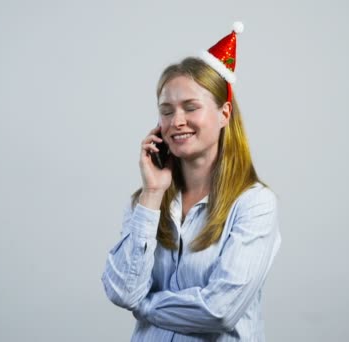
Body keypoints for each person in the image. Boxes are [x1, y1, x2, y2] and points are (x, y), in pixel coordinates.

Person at [101, 22, 281, 341]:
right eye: (166, 111)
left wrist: (146, 306)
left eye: (191, 107)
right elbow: (121, 290)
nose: (177, 121)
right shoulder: (145, 201)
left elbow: (220, 310)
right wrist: (153, 193)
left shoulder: (254, 204)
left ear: (224, 114)